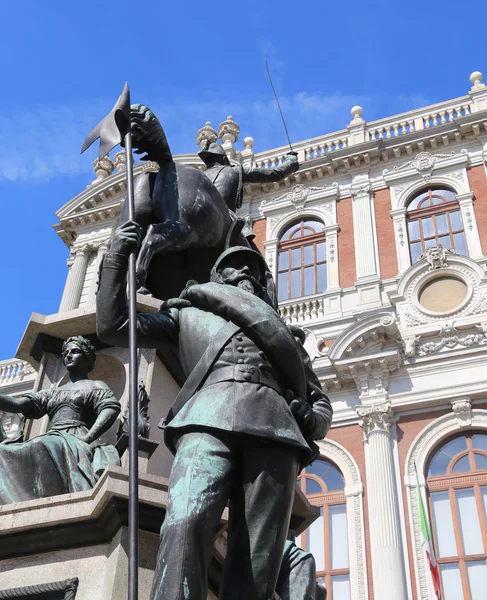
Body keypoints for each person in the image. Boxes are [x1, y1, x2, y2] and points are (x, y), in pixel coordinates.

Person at [96, 221, 332, 600]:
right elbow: (114, 326)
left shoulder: (284, 335)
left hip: (276, 430)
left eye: (252, 269)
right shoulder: (187, 313)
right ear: (216, 275)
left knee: (258, 554)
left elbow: (320, 400)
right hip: (207, 419)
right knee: (185, 521)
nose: (244, 273)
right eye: (234, 266)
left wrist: (312, 417)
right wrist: (114, 260)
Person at [0, 336, 120, 505]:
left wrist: (88, 438)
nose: (69, 356)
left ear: (87, 359)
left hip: (75, 438)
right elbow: (19, 404)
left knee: (40, 445)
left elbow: (110, 409)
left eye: (75, 352)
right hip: (54, 436)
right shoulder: (52, 392)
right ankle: (18, 502)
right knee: (2, 451)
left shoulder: (95, 386)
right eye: (67, 353)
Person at [199, 141, 299, 212]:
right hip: (224, 219)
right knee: (246, 238)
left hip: (199, 218)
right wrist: (291, 163)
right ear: (224, 158)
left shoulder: (200, 176)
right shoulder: (235, 170)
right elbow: (275, 174)